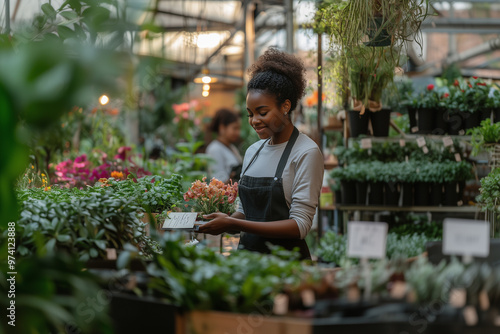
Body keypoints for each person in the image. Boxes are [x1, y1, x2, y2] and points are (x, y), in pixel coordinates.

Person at [199, 48, 324, 260]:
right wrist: (225, 221)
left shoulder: (306, 152)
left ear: (285, 106)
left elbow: (300, 225)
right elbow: (248, 212)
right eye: (250, 114)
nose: (254, 120)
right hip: (248, 263)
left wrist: (233, 223)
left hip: (287, 267)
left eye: (262, 112)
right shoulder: (253, 152)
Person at [205, 108, 243, 183]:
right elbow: (218, 184)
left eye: (239, 128)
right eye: (235, 128)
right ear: (222, 128)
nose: (238, 132)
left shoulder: (231, 147)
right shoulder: (215, 149)